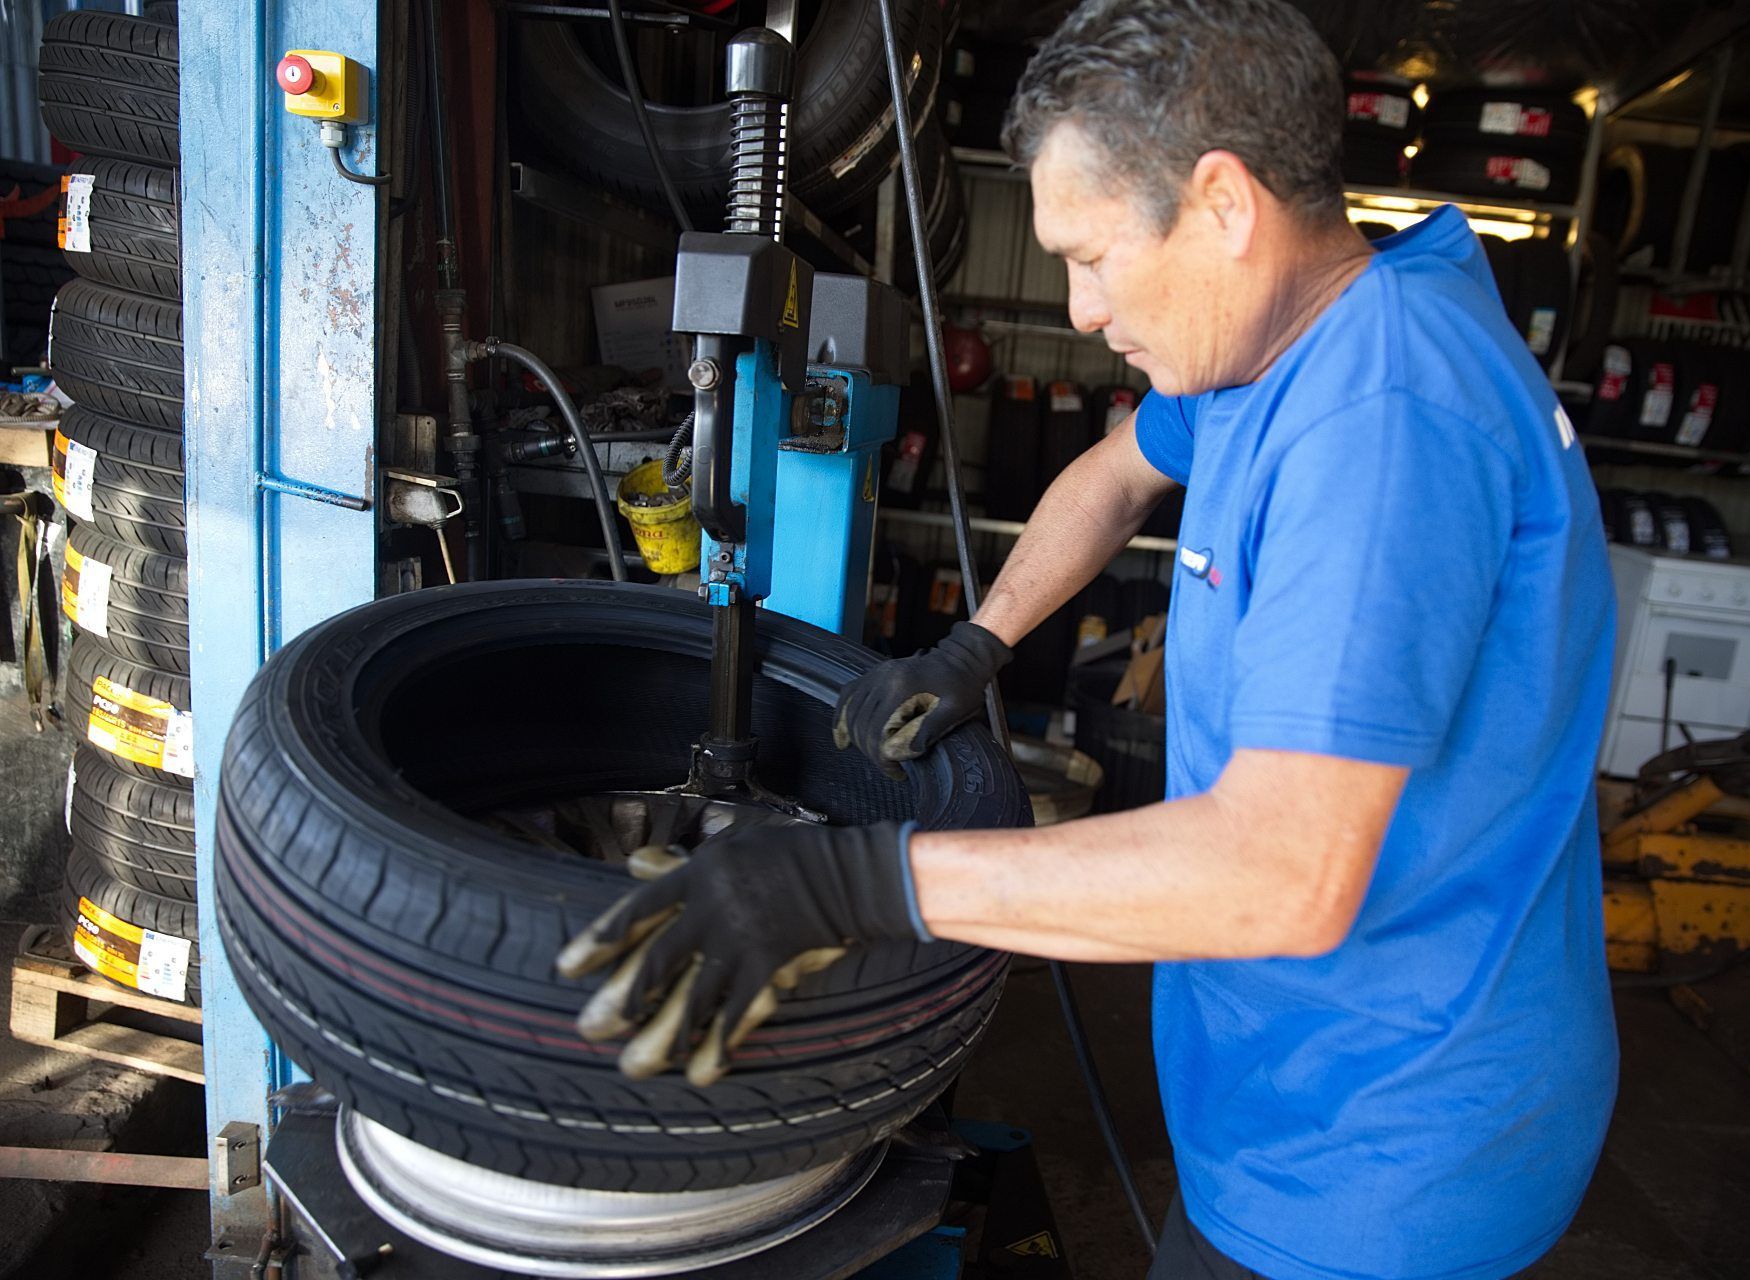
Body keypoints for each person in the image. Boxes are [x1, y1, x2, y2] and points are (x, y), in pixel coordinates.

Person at [556, 2, 1619, 1276]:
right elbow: (1116, 472)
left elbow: (1281, 872)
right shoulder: (1293, 342)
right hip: (1301, 1089)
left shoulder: (1379, 418)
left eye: (1096, 254)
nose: (1077, 304)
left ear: (1223, 204)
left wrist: (850, 885)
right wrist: (976, 646)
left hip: (1381, 1154)